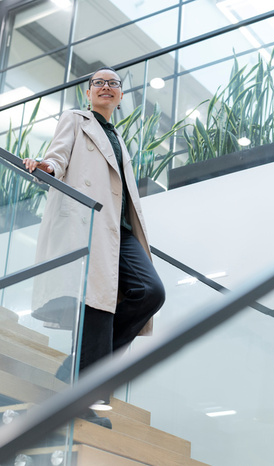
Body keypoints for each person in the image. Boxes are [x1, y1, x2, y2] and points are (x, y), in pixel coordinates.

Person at [24, 67, 165, 423]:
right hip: (90, 225)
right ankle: (84, 398)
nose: (106, 87)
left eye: (113, 84)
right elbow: (57, 157)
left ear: (119, 96)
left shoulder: (118, 137)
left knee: (151, 292)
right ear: (89, 93)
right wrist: (47, 167)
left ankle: (77, 367)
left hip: (121, 231)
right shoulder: (75, 119)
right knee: (99, 309)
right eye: (98, 83)